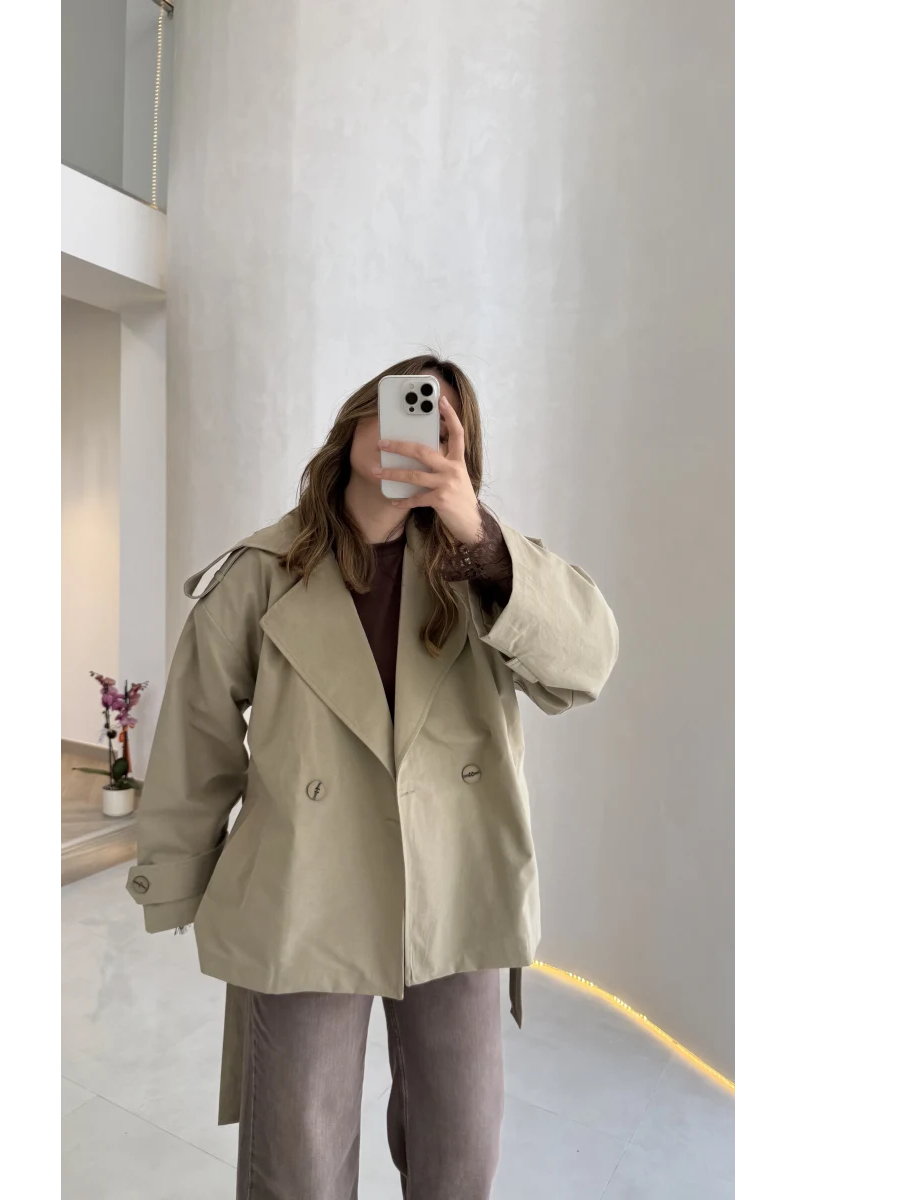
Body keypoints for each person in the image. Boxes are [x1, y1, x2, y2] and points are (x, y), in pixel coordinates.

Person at [125, 355, 620, 1199]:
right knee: (298, 1162)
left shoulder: (488, 573)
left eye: (434, 418)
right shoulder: (260, 571)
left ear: (458, 449)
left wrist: (475, 529)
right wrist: (176, 876)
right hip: (304, 889)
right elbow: (198, 735)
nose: (407, 427)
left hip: (457, 886)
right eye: (395, 405)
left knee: (460, 1157)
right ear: (354, 420)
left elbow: (588, 663)